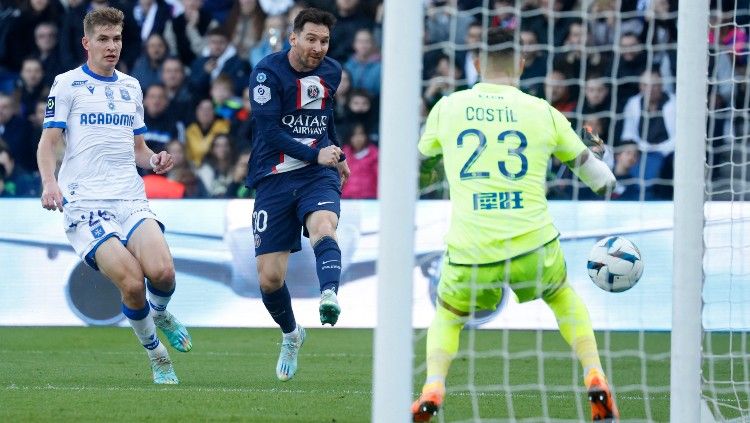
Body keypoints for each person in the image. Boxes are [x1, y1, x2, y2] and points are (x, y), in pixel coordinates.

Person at [412, 27, 619, 422]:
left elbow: (418, 170)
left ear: (476, 63)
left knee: (450, 315)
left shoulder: (449, 107)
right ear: (522, 64)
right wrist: (604, 167)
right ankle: (594, 373)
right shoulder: (542, 110)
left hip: (472, 247)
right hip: (533, 242)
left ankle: (433, 388)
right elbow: (599, 177)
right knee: (561, 297)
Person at [36, 7, 192, 385]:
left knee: (164, 273)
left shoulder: (131, 86)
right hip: (86, 203)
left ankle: (162, 312)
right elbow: (48, 143)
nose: (111, 46)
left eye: (117, 39)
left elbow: (137, 148)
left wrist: (154, 158)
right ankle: (157, 355)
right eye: (103, 39)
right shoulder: (67, 84)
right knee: (133, 282)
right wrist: (49, 182)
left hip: (129, 197)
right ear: (86, 42)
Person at [246, 7, 350, 382]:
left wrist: (336, 153)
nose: (319, 47)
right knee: (270, 279)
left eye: (324, 41)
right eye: (311, 39)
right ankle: (292, 334)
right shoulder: (267, 73)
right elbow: (270, 133)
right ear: (293, 38)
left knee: (324, 225)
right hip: (273, 179)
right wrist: (316, 151)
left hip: (316, 176)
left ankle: (329, 295)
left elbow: (326, 115)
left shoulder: (332, 72)